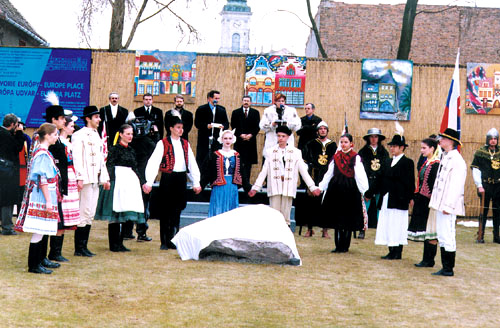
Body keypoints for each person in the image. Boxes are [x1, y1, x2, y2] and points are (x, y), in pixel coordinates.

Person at [144, 114, 202, 250]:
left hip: (181, 179)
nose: (181, 130)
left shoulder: (185, 144)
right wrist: (149, 182)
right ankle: (164, 241)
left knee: (177, 210)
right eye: (178, 127)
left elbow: (192, 164)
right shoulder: (163, 143)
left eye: (182, 128)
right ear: (171, 128)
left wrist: (196, 182)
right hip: (168, 178)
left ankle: (173, 240)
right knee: (166, 210)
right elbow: (153, 163)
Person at [248, 125, 320, 226]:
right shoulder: (270, 152)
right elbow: (264, 171)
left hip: (288, 186)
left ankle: (285, 239)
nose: (280, 138)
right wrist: (256, 187)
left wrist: (312, 187)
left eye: (283, 136)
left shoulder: (296, 152)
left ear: (288, 137)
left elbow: (303, 171)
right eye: (278, 136)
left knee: (286, 217)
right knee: (274, 215)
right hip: (274, 186)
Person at [15, 123, 60, 274]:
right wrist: (48, 200)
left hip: (46, 194)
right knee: (39, 230)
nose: (56, 137)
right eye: (55, 134)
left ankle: (39, 261)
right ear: (47, 135)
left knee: (42, 229)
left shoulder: (44, 152)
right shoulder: (41, 154)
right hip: (42, 196)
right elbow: (42, 179)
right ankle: (33, 265)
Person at [95, 124, 146, 252]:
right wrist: (109, 181)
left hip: (129, 183)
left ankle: (120, 242)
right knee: (115, 214)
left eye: (132, 134)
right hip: (117, 181)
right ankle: (113, 244)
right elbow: (109, 165)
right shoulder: (114, 149)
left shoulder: (132, 150)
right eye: (128, 134)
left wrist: (141, 182)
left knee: (125, 212)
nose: (130, 136)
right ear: (121, 134)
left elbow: (135, 167)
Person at [369, 126, 415, 260]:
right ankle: (391, 249)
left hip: (399, 198)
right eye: (391, 146)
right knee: (388, 223)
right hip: (386, 197)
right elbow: (379, 178)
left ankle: (397, 251)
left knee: (398, 223)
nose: (392, 148)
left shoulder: (407, 162)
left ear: (402, 148)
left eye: (395, 146)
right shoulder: (387, 161)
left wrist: (410, 197)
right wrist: (370, 192)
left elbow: (409, 182)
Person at [318, 133, 368, 253]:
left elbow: (359, 174)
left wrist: (364, 189)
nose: (343, 144)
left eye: (346, 142)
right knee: (337, 218)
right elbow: (329, 173)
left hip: (350, 189)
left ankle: (345, 245)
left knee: (348, 218)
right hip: (336, 189)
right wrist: (321, 187)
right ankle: (338, 245)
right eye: (341, 142)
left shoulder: (355, 157)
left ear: (351, 143)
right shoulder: (336, 156)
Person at [72, 106, 110, 257]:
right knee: (83, 212)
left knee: (90, 213)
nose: (99, 120)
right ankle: (78, 248)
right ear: (88, 118)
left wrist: (105, 177)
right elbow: (77, 157)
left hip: (95, 177)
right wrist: (79, 177)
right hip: (85, 178)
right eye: (96, 117)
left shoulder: (97, 135)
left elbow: (101, 159)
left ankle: (84, 246)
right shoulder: (78, 135)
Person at [429, 128, 466, 276]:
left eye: (443, 139)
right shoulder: (446, 157)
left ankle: (448, 267)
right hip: (440, 203)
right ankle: (445, 266)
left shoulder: (457, 161)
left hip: (448, 205)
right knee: (443, 235)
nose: (440, 141)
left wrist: (448, 206)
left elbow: (456, 186)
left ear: (451, 141)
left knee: (448, 235)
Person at [296, 121, 337, 238]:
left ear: (327, 131)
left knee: (326, 203)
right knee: (311, 204)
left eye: (325, 129)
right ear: (317, 131)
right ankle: (309, 229)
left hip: (327, 176)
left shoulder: (333, 145)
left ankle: (325, 230)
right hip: (314, 176)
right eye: (321, 129)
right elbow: (303, 159)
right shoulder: (311, 144)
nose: (323, 130)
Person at [410, 137, 440, 267]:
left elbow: (434, 184)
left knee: (431, 230)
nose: (422, 150)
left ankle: (429, 259)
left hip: (430, 200)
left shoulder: (436, 164)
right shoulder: (427, 162)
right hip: (422, 199)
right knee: (426, 230)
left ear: (432, 149)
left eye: (424, 148)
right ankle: (426, 259)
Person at [201, 129, 242, 217]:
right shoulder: (215, 154)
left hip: (231, 185)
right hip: (219, 186)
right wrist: (201, 185)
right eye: (225, 138)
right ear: (221, 139)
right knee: (218, 207)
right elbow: (209, 172)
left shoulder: (236, 154)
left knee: (231, 210)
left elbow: (242, 172)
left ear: (233, 140)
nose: (228, 141)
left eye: (230, 138)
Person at [358, 128, 389, 238]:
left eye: (376, 136)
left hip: (380, 183)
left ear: (379, 138)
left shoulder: (384, 152)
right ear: (368, 138)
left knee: (379, 208)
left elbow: (385, 168)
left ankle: (381, 232)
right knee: (364, 208)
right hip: (367, 183)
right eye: (372, 136)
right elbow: (361, 168)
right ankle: (362, 229)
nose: (374, 139)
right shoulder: (363, 152)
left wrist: (379, 183)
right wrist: (368, 187)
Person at [471, 128, 500, 243]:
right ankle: (481, 235)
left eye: (495, 139)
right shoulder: (480, 153)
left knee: (498, 211)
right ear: (487, 139)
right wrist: (479, 185)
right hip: (485, 185)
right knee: (484, 210)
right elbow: (476, 169)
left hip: (498, 186)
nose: (493, 141)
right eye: (491, 139)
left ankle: (496, 236)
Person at [0, 114, 25, 235]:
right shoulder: (7, 136)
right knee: (7, 200)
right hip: (8, 171)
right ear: (12, 124)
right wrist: (20, 133)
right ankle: (7, 227)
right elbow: (17, 148)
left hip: (3, 169)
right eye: (16, 125)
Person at [230, 95, 260, 192]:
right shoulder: (236, 112)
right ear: (242, 101)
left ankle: (246, 183)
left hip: (250, 141)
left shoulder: (255, 113)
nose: (246, 102)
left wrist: (250, 135)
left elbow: (257, 126)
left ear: (250, 102)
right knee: (238, 162)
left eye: (248, 101)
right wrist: (240, 135)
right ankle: (238, 182)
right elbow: (233, 125)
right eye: (244, 100)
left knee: (248, 163)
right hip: (239, 141)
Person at [194, 90, 229, 165]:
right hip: (204, 140)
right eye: (215, 98)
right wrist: (206, 126)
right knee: (202, 160)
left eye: (218, 98)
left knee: (216, 161)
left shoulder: (222, 110)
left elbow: (226, 123)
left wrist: (223, 127)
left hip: (217, 140)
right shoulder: (201, 109)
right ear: (209, 98)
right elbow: (197, 123)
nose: (217, 100)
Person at [16, 121, 31, 218]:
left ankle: (20, 215)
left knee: (22, 195)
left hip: (23, 170)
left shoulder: (26, 139)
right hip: (14, 169)